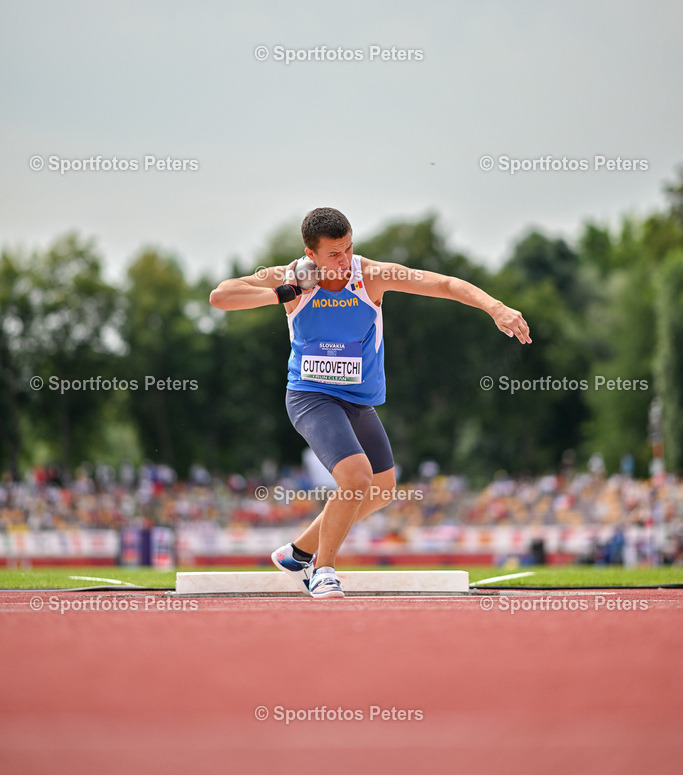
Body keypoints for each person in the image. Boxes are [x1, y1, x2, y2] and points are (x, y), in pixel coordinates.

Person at [209, 207, 531, 599]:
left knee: (381, 488)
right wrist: (284, 293)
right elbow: (221, 296)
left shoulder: (371, 275)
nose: (344, 261)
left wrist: (494, 307)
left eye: (348, 249)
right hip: (312, 395)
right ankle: (322, 569)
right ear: (310, 254)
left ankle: (298, 553)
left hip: (358, 401)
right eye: (333, 254)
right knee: (356, 478)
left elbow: (443, 284)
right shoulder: (290, 276)